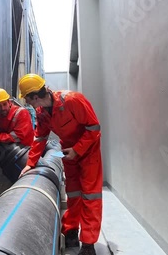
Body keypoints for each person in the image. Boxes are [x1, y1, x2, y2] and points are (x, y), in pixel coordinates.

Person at [18, 74, 103, 255]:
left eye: (27, 98)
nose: (27, 102)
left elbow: (94, 128)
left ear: (35, 96)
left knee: (90, 196)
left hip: (88, 153)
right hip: (68, 153)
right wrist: (31, 163)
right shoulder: (42, 113)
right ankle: (71, 229)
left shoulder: (72, 101)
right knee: (73, 193)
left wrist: (78, 150)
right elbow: (40, 137)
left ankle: (88, 244)